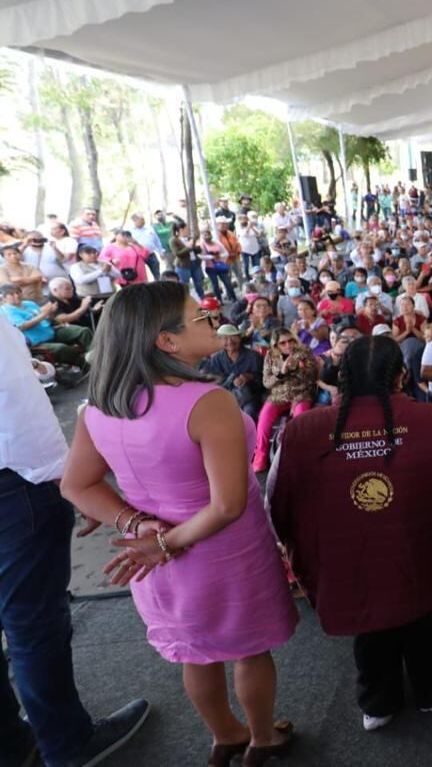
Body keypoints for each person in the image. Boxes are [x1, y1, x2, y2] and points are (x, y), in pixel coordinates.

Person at [59, 282, 297, 766]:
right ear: (166, 341)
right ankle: (262, 738)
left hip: (151, 556)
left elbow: (78, 486)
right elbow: (228, 504)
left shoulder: (100, 405)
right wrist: (166, 542)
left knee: (195, 652)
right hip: (224, 553)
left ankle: (224, 734)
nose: (211, 318)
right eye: (198, 315)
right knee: (249, 650)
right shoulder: (207, 402)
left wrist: (137, 525)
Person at [270, 335, 432, 732]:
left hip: (344, 553)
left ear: (342, 376)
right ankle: (431, 688)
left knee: (369, 623)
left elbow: (276, 498)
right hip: (418, 548)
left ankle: (378, 701)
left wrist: (293, 541)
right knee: (424, 616)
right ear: (402, 375)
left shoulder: (302, 430)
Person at [0, 318, 152, 767]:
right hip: (14, 487)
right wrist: (75, 482)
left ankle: (10, 744)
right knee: (32, 625)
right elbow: (19, 415)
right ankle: (67, 744)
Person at [252, 329, 318, 473]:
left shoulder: (304, 352)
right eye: (283, 343)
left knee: (300, 420)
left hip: (300, 394)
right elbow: (266, 382)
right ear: (276, 345)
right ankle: (261, 454)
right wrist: (281, 373)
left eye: (291, 340)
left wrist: (295, 369)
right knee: (264, 418)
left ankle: (299, 455)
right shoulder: (270, 355)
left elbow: (312, 377)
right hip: (278, 396)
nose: (288, 345)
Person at [1, 283, 93, 367]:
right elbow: (22, 326)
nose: (17, 296)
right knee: (61, 348)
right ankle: (86, 366)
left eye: (18, 292)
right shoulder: (6, 311)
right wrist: (44, 314)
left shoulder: (29, 304)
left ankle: (95, 356)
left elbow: (45, 320)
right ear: (4, 298)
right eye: (12, 294)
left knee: (83, 331)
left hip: (50, 331)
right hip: (37, 342)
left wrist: (51, 313)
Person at [201, 324, 264, 417]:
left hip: (249, 399)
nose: (229, 341)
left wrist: (250, 377)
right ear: (219, 341)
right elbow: (212, 383)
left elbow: (264, 383)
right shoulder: (216, 359)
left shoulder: (254, 356)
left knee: (248, 412)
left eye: (233, 337)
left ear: (239, 338)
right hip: (224, 399)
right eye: (225, 338)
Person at [125, 213, 165, 280]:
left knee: (157, 273)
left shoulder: (149, 228)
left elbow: (157, 240)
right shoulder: (130, 231)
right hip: (138, 256)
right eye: (141, 220)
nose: (144, 221)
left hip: (151, 254)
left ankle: (158, 285)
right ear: (135, 221)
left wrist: (161, 251)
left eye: (144, 219)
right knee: (141, 275)